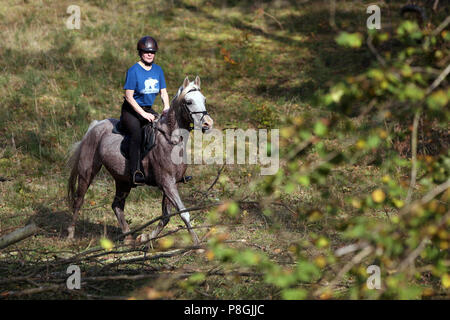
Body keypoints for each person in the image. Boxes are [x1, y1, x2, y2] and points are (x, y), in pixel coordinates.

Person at [121, 36, 170, 185]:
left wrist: (166, 107)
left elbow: (163, 92)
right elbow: (128, 96)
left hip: (148, 109)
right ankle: (135, 171)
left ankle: (170, 170)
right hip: (131, 111)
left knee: (166, 130)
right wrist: (143, 114)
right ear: (140, 52)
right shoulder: (134, 71)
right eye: (146, 51)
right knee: (137, 134)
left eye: (152, 52)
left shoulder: (158, 70)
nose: (149, 54)